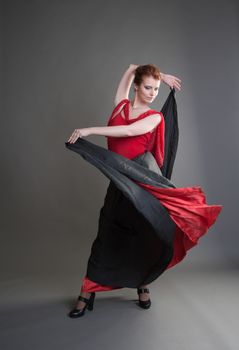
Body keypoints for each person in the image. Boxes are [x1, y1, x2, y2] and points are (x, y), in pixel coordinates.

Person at [65, 64, 222, 318]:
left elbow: (128, 131)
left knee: (142, 234)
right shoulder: (120, 105)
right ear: (136, 86)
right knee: (106, 234)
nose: (152, 93)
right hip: (119, 182)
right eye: (148, 87)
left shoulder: (154, 117)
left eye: (157, 89)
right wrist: (160, 72)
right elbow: (130, 68)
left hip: (141, 184)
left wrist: (89, 130)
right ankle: (87, 290)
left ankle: (142, 284)